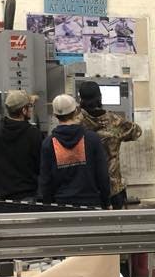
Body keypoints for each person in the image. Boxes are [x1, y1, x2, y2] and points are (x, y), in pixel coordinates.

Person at [77, 80, 143, 210]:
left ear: (80, 99)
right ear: (100, 97)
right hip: (113, 189)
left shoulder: (76, 122)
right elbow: (137, 132)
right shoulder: (115, 121)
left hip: (86, 188)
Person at [38, 93, 111, 209]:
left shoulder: (48, 144)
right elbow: (102, 175)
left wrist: (49, 205)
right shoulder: (92, 139)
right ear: (76, 111)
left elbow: (45, 181)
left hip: (61, 207)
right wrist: (106, 202)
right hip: (91, 204)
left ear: (55, 115)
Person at [0, 90, 41, 201]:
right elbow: (41, 166)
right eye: (30, 106)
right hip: (28, 198)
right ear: (23, 110)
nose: (32, 109)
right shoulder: (34, 134)